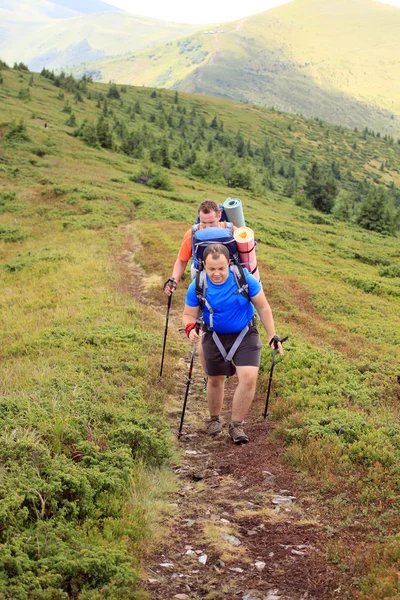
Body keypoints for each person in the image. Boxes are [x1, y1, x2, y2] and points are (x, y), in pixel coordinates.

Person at [182, 244, 284, 445]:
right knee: (215, 379)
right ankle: (214, 419)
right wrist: (190, 328)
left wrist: (272, 336)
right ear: (204, 265)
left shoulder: (245, 279)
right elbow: (188, 314)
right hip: (214, 335)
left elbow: (263, 307)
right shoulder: (198, 284)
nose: (217, 273)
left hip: (245, 333)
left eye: (221, 268)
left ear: (228, 263)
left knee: (248, 378)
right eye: (212, 269)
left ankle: (236, 425)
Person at [163, 199, 232, 296]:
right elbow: (182, 260)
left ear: (219, 216)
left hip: (230, 284)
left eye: (211, 223)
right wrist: (174, 281)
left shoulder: (232, 232)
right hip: (201, 286)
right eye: (203, 223)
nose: (207, 227)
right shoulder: (191, 235)